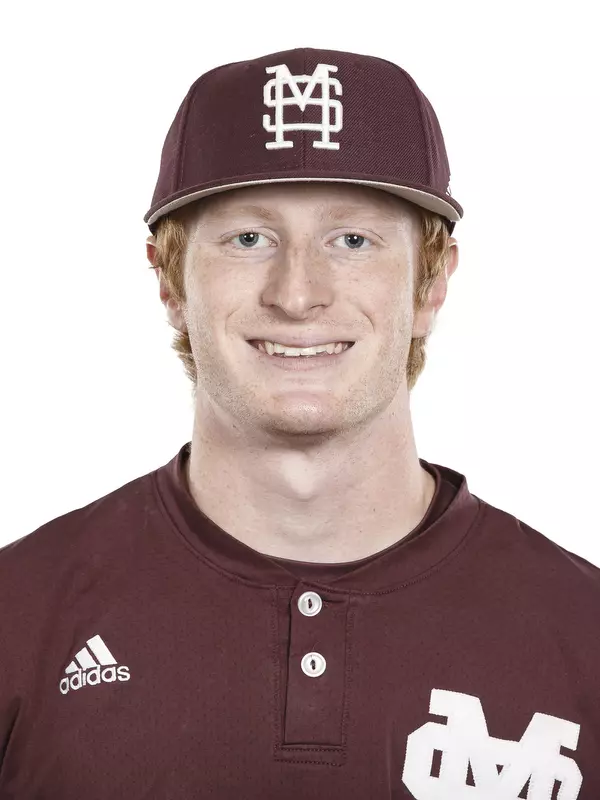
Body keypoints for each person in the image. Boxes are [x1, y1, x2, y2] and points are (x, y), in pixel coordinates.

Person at [0, 47, 598, 800]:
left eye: (352, 241)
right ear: (170, 281)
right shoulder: (19, 615)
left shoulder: (583, 634)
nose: (297, 294)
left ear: (432, 283)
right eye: (249, 239)